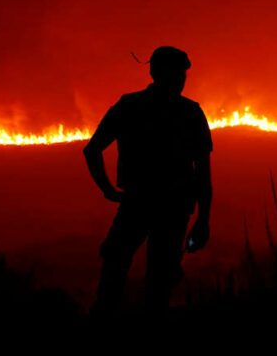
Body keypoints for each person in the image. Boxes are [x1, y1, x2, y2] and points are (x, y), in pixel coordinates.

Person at [83, 46, 212, 320]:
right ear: (158, 73)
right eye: (177, 73)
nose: (180, 79)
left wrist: (108, 189)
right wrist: (203, 219)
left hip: (141, 203)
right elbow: (203, 173)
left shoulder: (129, 106)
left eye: (182, 74)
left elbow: (92, 150)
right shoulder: (189, 113)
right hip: (171, 207)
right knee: (158, 278)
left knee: (118, 266)